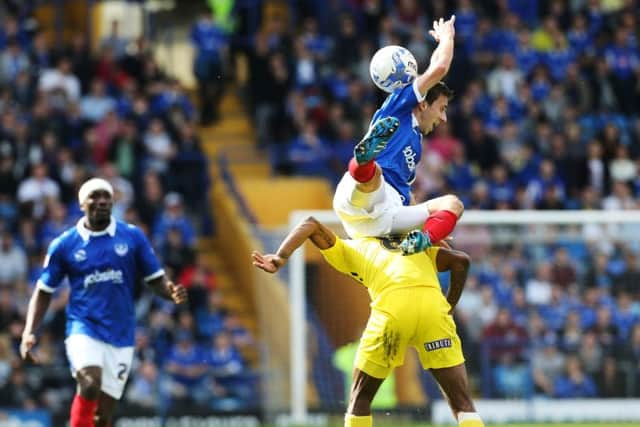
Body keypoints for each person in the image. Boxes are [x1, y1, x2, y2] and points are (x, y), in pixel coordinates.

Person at [252, 217, 484, 427]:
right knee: (462, 402)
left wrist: (281, 257)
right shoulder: (411, 244)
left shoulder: (354, 247)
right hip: (434, 312)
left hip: (393, 313)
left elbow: (310, 224)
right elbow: (460, 261)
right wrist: (448, 307)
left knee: (360, 399)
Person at [19, 177, 188, 427]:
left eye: (106, 197)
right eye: (95, 197)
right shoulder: (64, 245)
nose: (101, 202)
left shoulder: (132, 237)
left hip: (121, 332)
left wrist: (169, 292)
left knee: (103, 415)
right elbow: (44, 291)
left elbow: (155, 280)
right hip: (83, 327)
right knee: (89, 382)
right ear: (82, 204)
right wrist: (29, 332)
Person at [334, 16, 463, 256]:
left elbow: (407, 196)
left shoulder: (415, 144)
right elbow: (439, 68)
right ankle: (363, 161)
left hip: (385, 217)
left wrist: (432, 231)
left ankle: (418, 242)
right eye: (442, 109)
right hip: (364, 195)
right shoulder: (399, 106)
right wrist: (447, 38)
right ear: (423, 104)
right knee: (374, 177)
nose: (444, 119)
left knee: (453, 204)